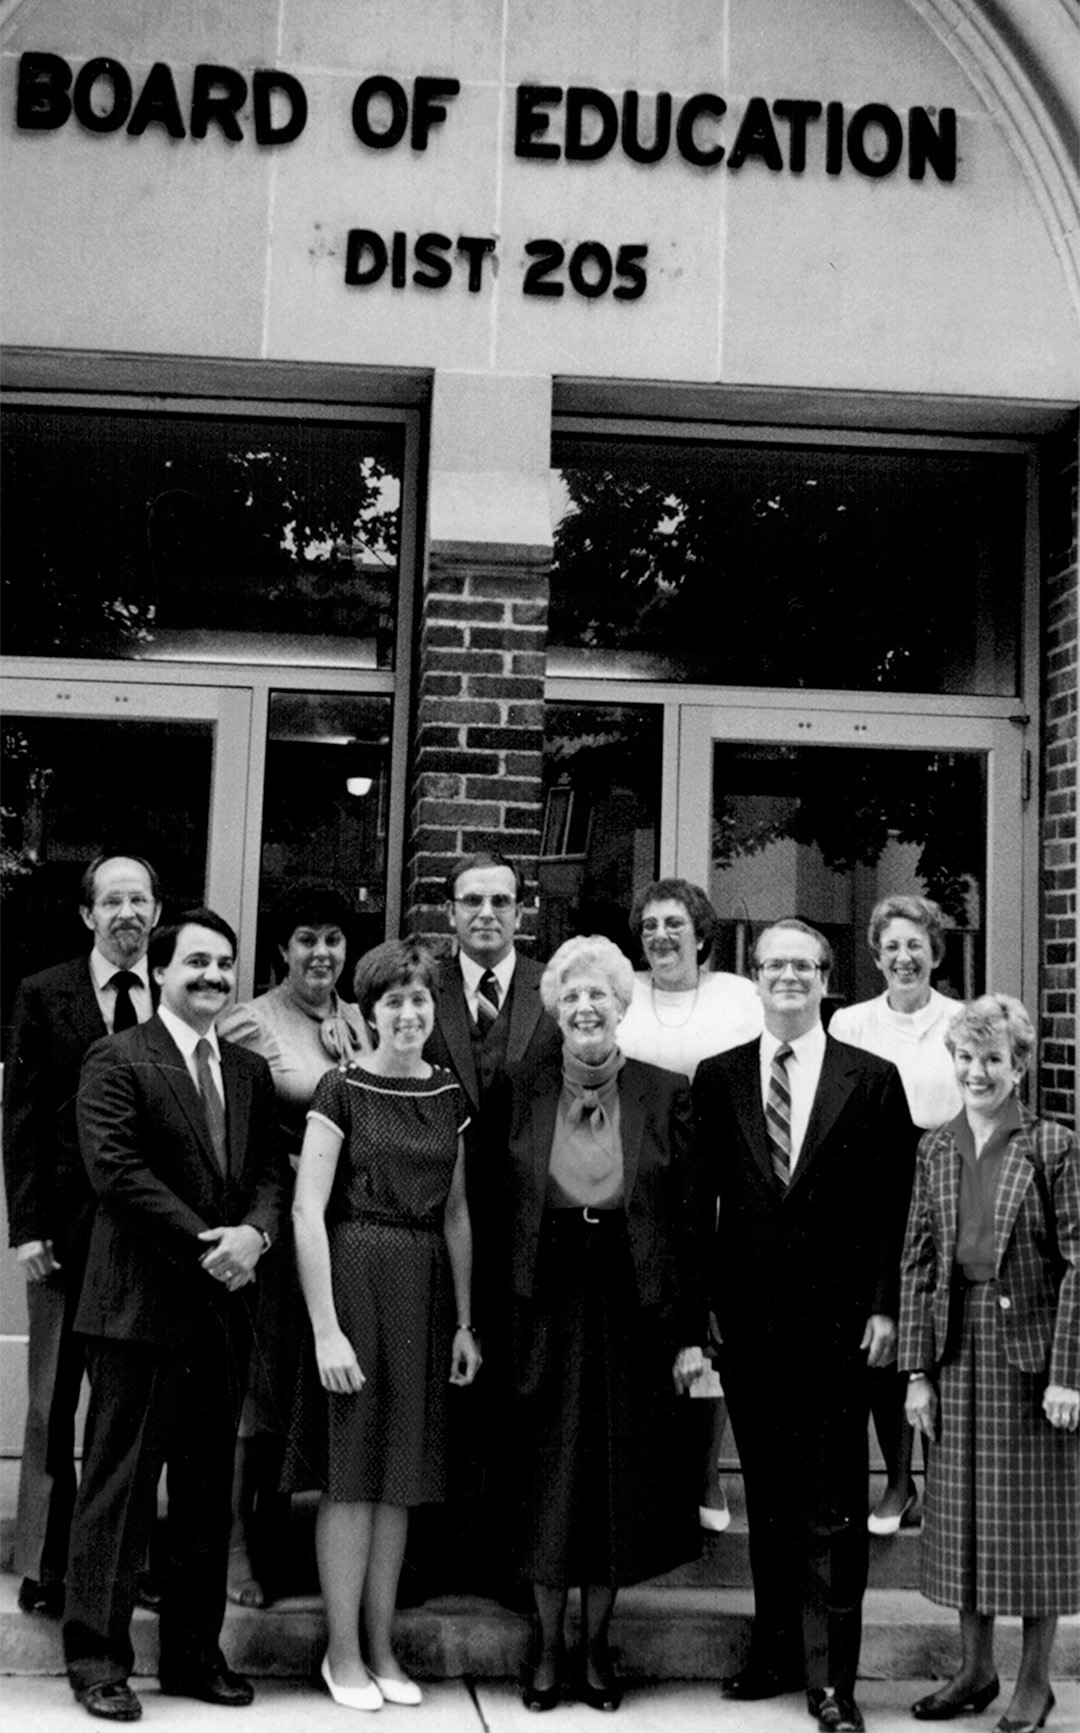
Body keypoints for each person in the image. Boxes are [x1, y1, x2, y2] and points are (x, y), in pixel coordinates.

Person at [692, 918, 916, 1733]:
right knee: (769, 1499)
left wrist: (887, 1305)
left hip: (840, 1324)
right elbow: (700, 1203)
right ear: (754, 976)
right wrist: (702, 1309)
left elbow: (895, 1206)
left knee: (831, 1504)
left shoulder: (872, 1078)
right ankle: (776, 1652)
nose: (787, 976)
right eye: (772, 964)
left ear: (826, 977)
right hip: (749, 1323)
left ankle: (832, 1682)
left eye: (803, 964)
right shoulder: (718, 1077)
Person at [63, 910, 285, 1723]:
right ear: (161, 970)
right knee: (119, 1489)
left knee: (204, 1490)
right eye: (197, 961)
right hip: (139, 1308)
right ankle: (98, 1659)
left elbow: (270, 1169)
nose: (213, 976)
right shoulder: (118, 1056)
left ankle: (194, 1655)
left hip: (223, 1313)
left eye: (225, 963)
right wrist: (210, 1245)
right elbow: (116, 1171)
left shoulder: (248, 1069)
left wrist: (256, 1234)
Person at [491, 934, 703, 1713]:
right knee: (546, 1470)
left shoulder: (666, 1091)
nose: (587, 1007)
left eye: (600, 996)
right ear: (556, 1009)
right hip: (542, 1290)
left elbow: (689, 1219)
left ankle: (598, 1646)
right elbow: (489, 1201)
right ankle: (548, 1647)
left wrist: (690, 1329)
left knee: (616, 1471)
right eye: (573, 995)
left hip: (631, 1292)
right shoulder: (516, 1086)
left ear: (622, 1005)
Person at [288, 939, 481, 1711]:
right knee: (353, 1472)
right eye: (393, 1000)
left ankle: (380, 1643)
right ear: (369, 1011)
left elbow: (458, 1212)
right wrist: (325, 1329)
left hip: (423, 1286)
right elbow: (306, 1209)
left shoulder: (447, 1092)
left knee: (400, 1476)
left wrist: (465, 1321)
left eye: (419, 999)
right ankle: (341, 1652)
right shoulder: (342, 1087)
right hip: (356, 1272)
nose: (408, 1012)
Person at [900, 994, 1078, 1733]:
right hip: (956, 1346)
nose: (977, 1072)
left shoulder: (1053, 1146)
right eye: (967, 1057)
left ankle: (1034, 1683)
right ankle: (974, 1671)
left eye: (994, 1059)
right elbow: (918, 1261)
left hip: (1031, 1353)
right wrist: (917, 1373)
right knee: (964, 1516)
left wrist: (1068, 1373)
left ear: (1020, 1066)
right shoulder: (935, 1147)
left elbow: (1078, 1262)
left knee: (1032, 1523)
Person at [3, 854, 162, 1620]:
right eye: (113, 900)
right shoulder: (45, 993)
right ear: (87, 914)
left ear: (156, 913)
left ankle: (131, 1556)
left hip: (149, 1243)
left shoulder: (177, 993)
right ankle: (43, 1559)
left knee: (132, 1408)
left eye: (140, 899)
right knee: (52, 1400)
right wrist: (27, 1226)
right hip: (64, 1237)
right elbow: (23, 1120)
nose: (127, 912)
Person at [217, 884, 368, 1607]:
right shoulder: (252, 1022)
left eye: (333, 938)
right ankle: (232, 1548)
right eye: (306, 938)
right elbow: (238, 1135)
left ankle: (278, 1536)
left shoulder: (363, 1020)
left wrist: (361, 1055)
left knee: (310, 1388)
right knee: (259, 1395)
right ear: (282, 948)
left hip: (349, 1232)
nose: (321, 952)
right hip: (281, 1232)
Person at [618, 875, 762, 1532]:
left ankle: (705, 1473)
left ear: (702, 935)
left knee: (708, 1324)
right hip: (637, 1181)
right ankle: (652, 1472)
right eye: (650, 925)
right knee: (646, 1323)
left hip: (720, 1179)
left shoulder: (739, 997)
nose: (661, 936)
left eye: (674, 923)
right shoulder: (622, 990)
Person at [830, 894, 962, 1535]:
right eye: (892, 946)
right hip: (874, 1190)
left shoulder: (963, 1020)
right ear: (876, 956)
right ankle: (897, 1482)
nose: (904, 957)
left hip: (950, 1181)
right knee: (887, 1330)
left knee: (942, 1332)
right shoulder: (850, 1023)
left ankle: (942, 1484)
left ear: (935, 952)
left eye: (916, 945)